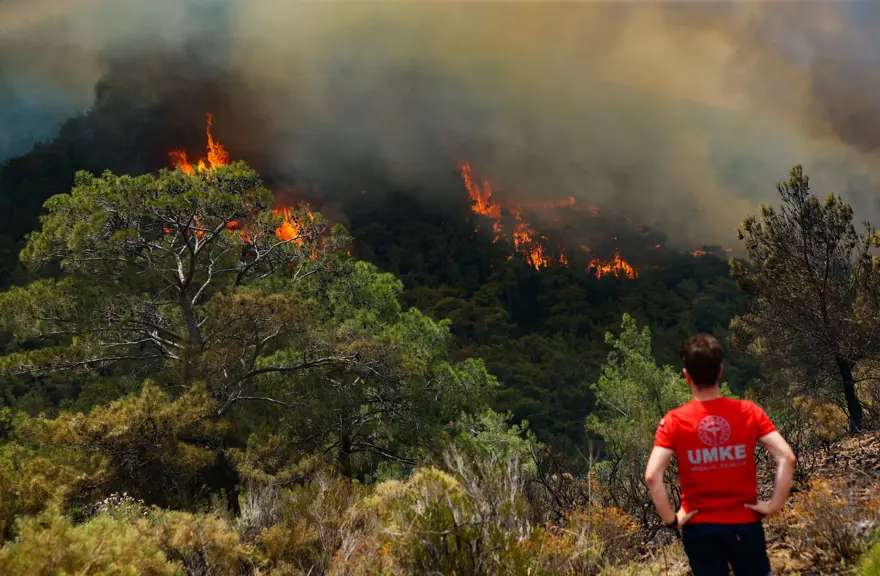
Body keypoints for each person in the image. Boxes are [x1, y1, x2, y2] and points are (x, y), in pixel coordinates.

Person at [645, 334, 796, 576]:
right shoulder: (749, 412)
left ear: (687, 376)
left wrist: (672, 520)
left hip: (699, 528)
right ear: (720, 371)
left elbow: (653, 476)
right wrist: (773, 505)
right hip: (745, 524)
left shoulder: (674, 421)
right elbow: (786, 457)